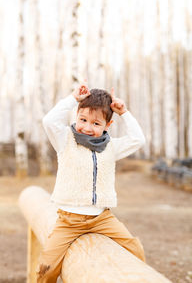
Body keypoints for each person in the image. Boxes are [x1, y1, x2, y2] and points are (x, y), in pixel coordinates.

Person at [36, 84, 146, 283]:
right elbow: (49, 121)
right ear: (76, 115)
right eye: (83, 119)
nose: (87, 127)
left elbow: (138, 139)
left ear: (107, 125)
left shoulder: (111, 147)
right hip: (69, 221)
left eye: (96, 123)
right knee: (47, 268)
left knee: (134, 249)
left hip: (102, 218)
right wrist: (73, 99)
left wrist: (124, 113)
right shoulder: (65, 140)